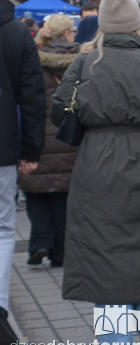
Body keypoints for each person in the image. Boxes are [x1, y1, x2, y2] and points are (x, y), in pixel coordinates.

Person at [51, 0, 140, 345]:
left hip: (98, 157)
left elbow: (60, 110)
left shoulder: (86, 62)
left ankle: (117, 340)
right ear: (137, 25)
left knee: (105, 248)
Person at [0, 0, 44, 345]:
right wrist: (31, 149)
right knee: (2, 229)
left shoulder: (16, 32)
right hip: (3, 146)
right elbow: (32, 95)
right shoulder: (16, 33)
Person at [22, 16, 80, 269]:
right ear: (67, 34)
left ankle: (39, 242)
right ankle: (61, 252)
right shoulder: (83, 60)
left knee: (35, 192)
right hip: (68, 136)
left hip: (38, 135)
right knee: (62, 197)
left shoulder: (33, 60)